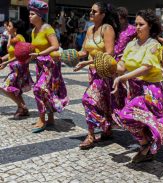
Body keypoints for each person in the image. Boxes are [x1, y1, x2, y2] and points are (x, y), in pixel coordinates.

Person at [111, 9, 163, 163]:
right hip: (135, 89)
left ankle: (147, 145)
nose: (137, 27)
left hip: (150, 90)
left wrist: (122, 77)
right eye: (136, 24)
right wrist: (111, 66)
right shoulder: (131, 44)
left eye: (141, 24)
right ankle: (147, 145)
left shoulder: (154, 45)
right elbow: (122, 65)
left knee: (126, 115)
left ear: (150, 26)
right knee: (138, 121)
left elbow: (146, 67)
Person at [74, 2, 121, 149]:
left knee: (88, 100)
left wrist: (87, 62)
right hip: (92, 73)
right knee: (103, 103)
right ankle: (107, 130)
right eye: (90, 11)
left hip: (104, 73)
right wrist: (68, 55)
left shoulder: (107, 29)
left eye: (94, 11)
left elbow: (110, 53)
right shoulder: (89, 30)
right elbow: (83, 51)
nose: (91, 13)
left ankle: (90, 135)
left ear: (103, 14)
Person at [28, 0, 69, 133]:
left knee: (39, 89)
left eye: (32, 14)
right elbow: (33, 48)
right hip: (40, 65)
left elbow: (55, 46)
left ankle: (42, 119)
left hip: (51, 64)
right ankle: (50, 117)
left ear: (39, 16)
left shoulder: (47, 28)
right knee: (47, 90)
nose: (29, 16)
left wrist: (40, 53)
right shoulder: (34, 30)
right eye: (29, 14)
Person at [0, 19, 34, 119]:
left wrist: (5, 62)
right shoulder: (13, 38)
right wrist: (2, 59)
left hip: (20, 69)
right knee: (16, 90)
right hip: (14, 68)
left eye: (9, 26)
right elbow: (11, 54)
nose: (7, 27)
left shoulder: (20, 39)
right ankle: (23, 109)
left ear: (15, 28)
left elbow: (20, 56)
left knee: (4, 87)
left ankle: (22, 106)